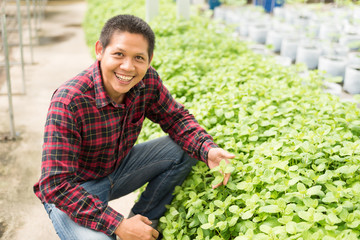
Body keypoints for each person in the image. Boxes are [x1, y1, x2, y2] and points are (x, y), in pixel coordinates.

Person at [33, 14, 235, 240]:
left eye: (138, 57)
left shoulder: (147, 80)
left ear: (150, 59)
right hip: (73, 192)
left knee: (183, 148)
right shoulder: (70, 101)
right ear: (100, 50)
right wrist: (118, 224)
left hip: (116, 171)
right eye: (118, 54)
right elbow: (56, 185)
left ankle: (143, 223)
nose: (128, 67)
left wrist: (207, 149)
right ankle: (126, 230)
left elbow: (175, 118)